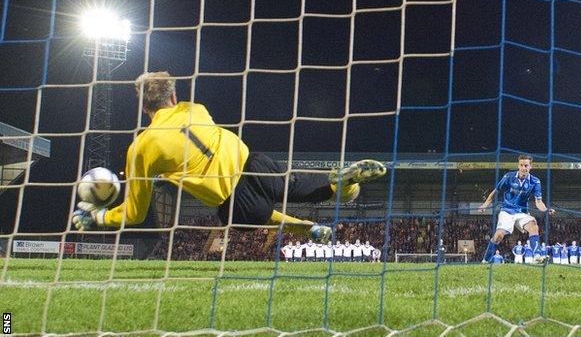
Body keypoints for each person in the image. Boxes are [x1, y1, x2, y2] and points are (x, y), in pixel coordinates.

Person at [72, 72, 386, 243]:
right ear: (174, 98)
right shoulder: (196, 109)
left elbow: (137, 214)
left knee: (242, 220)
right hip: (255, 161)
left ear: (144, 109)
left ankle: (305, 228)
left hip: (235, 198)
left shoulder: (141, 147)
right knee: (306, 189)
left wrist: (99, 216)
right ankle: (342, 185)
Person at [479, 155, 555, 264]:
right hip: (507, 211)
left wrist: (546, 210)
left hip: (521, 212)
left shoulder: (535, 182)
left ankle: (537, 256)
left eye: (526, 165)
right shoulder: (508, 177)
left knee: (534, 226)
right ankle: (485, 260)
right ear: (518, 166)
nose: (524, 168)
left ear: (530, 167)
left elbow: (538, 202)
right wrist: (485, 205)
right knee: (498, 236)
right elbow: (496, 191)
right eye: (522, 165)